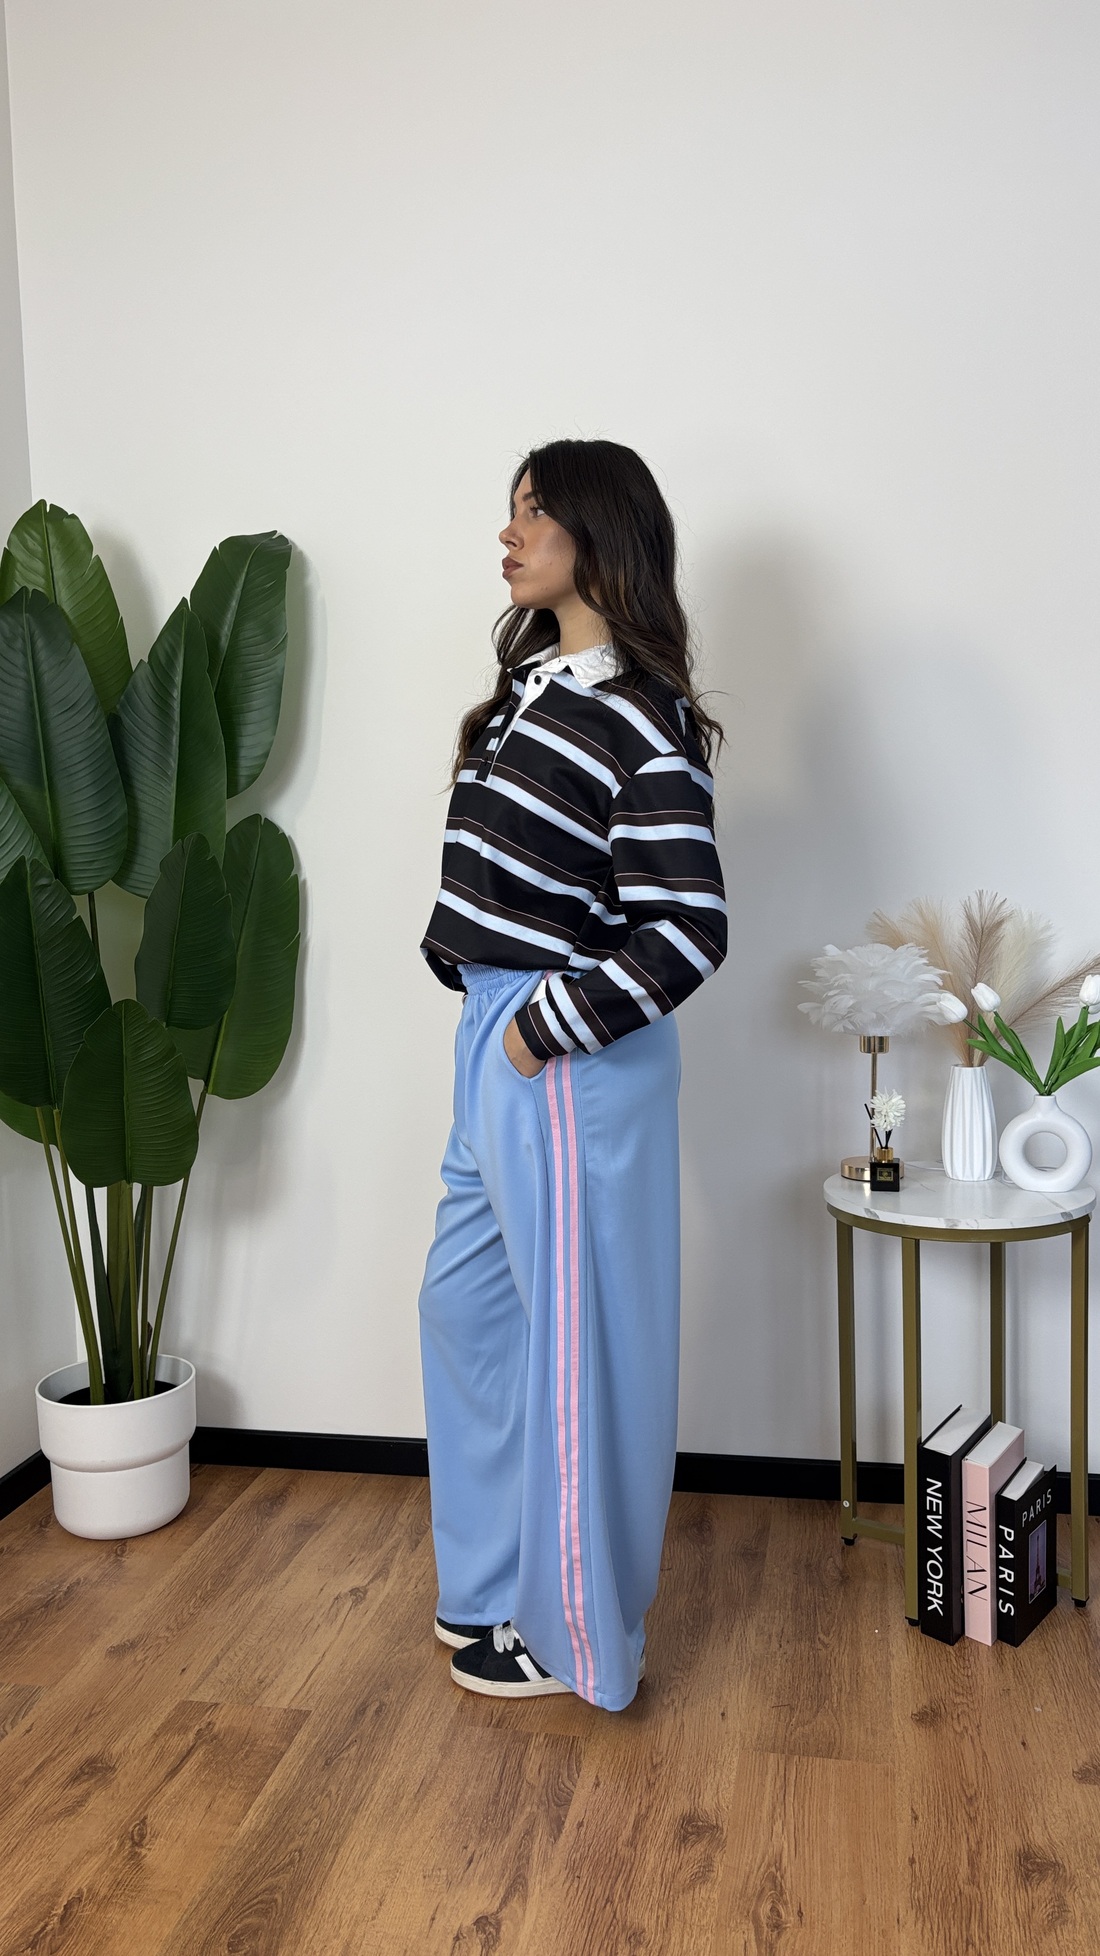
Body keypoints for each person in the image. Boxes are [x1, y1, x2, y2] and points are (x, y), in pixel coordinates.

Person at [417, 437, 727, 1710]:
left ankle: (575, 1639)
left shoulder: (639, 714)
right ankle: (495, 1580)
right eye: (509, 511)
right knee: (468, 1312)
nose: (509, 533)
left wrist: (543, 1026)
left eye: (535, 511)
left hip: (564, 1052)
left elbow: (687, 928)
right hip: (495, 1041)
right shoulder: (532, 692)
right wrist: (489, 1012)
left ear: (598, 532)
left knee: (576, 1356)